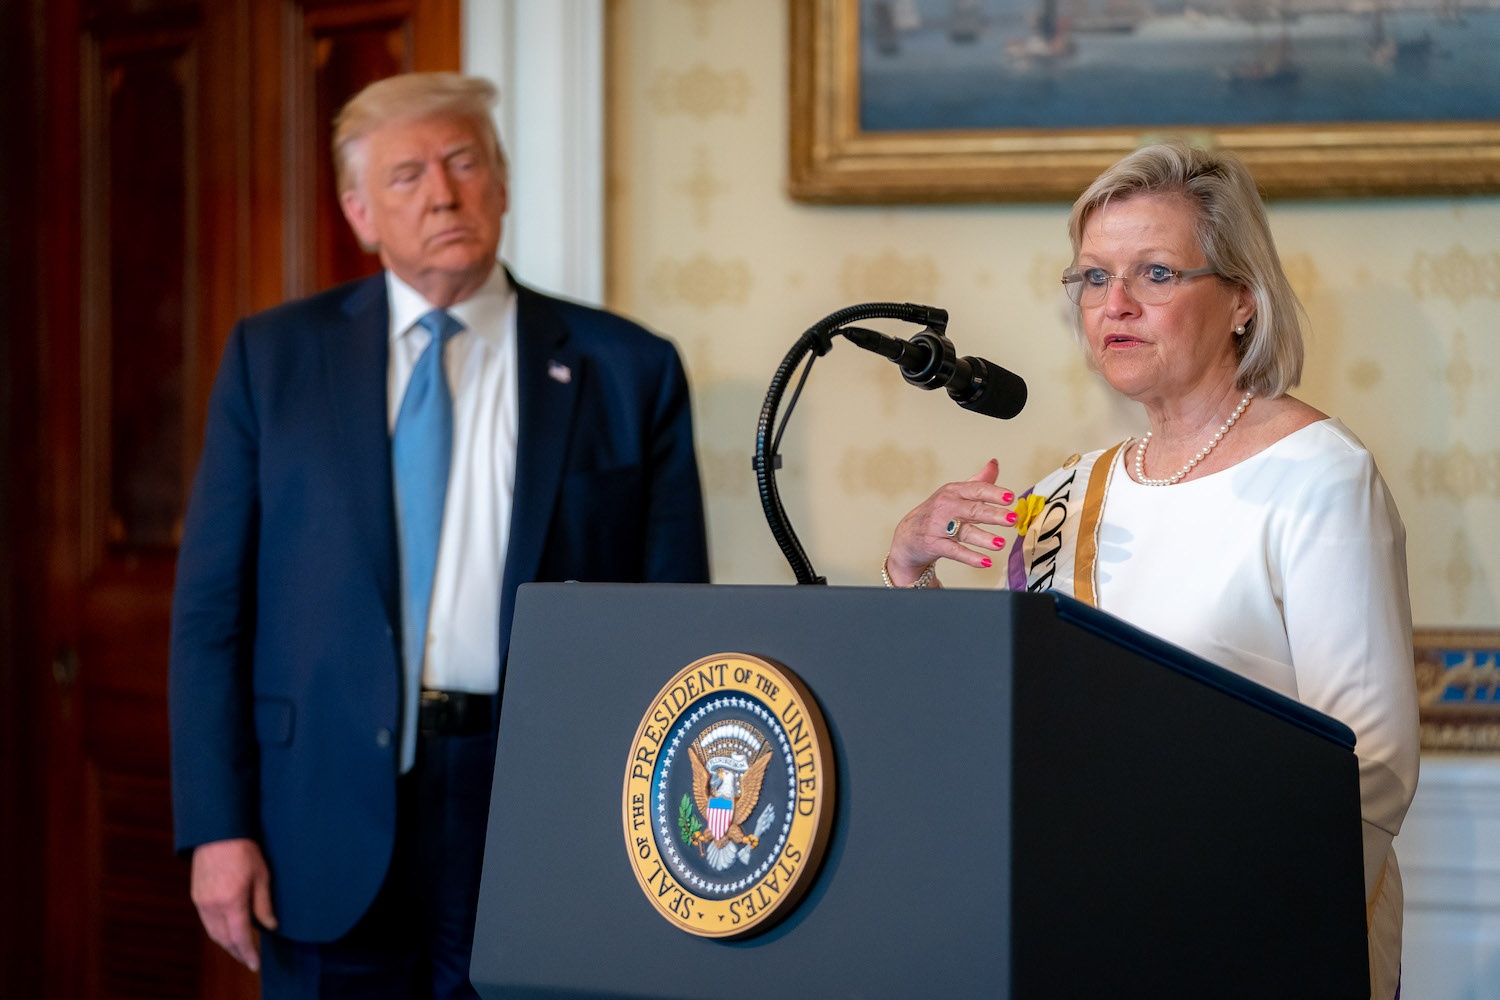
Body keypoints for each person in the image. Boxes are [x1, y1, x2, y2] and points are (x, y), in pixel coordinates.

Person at [169, 72, 709, 997]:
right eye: (408, 174)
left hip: (544, 797)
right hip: (322, 808)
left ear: (501, 182)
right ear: (359, 211)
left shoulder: (629, 368)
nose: (443, 194)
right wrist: (218, 826)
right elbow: (213, 609)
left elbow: (671, 621)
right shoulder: (275, 359)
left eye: (464, 162)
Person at [883, 140, 1418, 998]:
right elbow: (999, 725)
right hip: (1070, 939)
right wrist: (911, 571)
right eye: (1093, 278)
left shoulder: (1319, 474)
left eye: (1156, 273)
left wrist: (1201, 926)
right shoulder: (1066, 492)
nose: (1115, 304)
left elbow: (1370, 766)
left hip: (1237, 949)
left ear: (1243, 298)